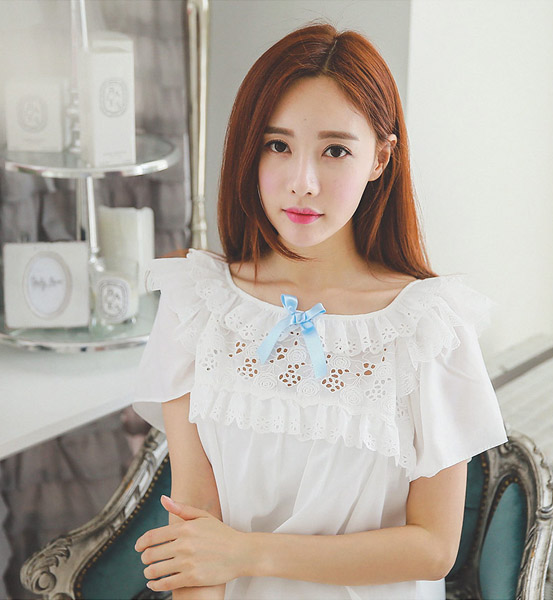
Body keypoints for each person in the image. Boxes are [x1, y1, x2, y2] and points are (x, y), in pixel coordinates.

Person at [131, 21, 508, 600]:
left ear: (380, 157)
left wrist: (249, 552)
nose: (302, 183)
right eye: (278, 145)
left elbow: (433, 548)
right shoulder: (197, 304)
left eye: (335, 151)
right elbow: (196, 524)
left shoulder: (428, 324)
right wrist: (222, 560)